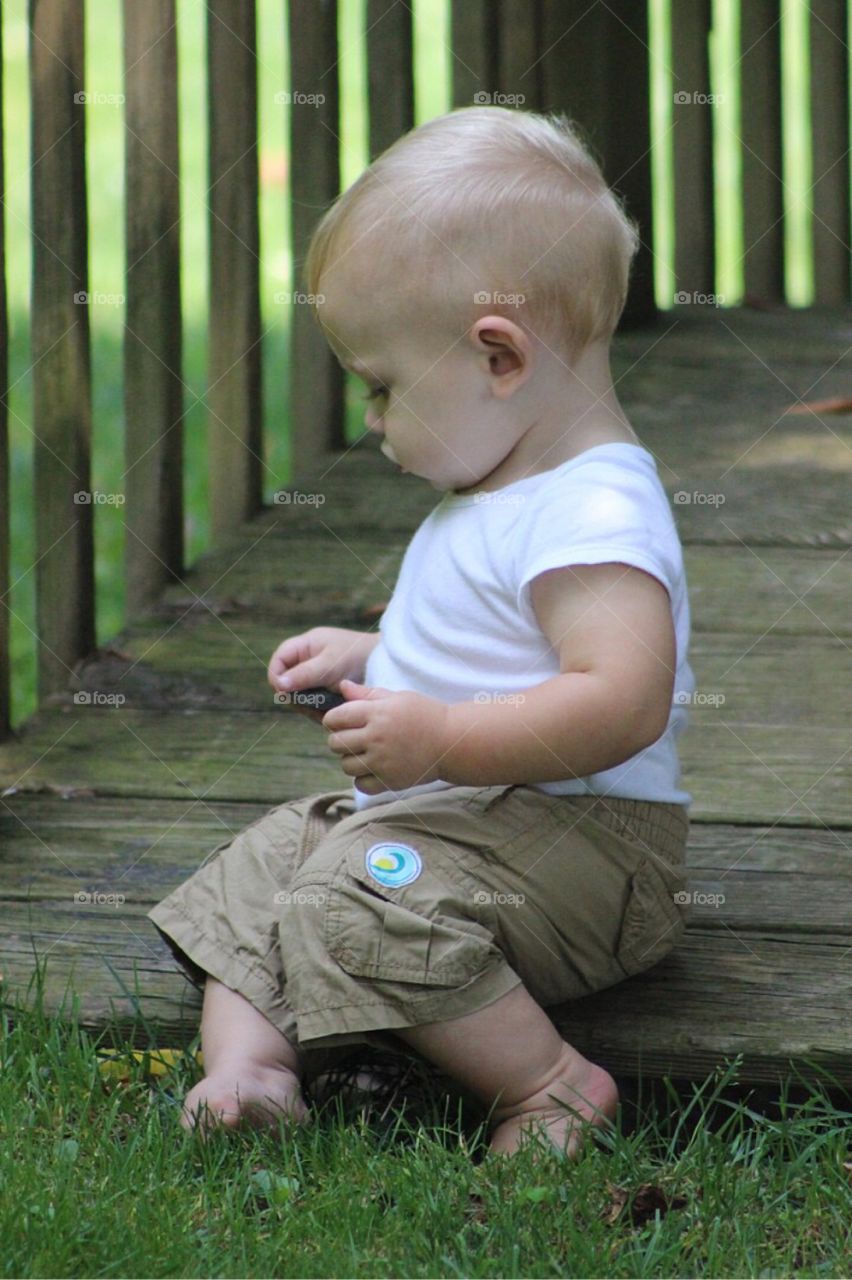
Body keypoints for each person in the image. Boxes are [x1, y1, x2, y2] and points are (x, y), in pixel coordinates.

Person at [147, 105, 695, 1159]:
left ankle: (549, 1084)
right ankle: (252, 1068)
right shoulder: (502, 485)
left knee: (363, 883)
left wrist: (440, 738)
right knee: (270, 860)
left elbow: (622, 699)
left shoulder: (592, 512)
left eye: (383, 387)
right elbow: (493, 648)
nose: (372, 420)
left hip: (590, 854)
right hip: (468, 823)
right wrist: (373, 658)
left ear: (499, 357)